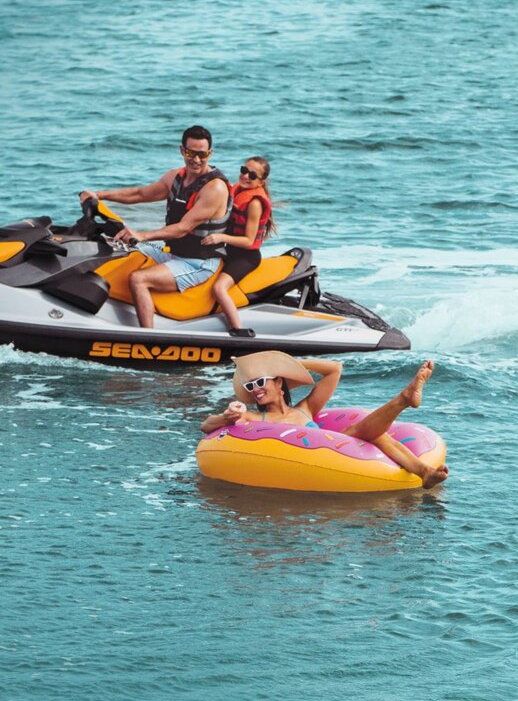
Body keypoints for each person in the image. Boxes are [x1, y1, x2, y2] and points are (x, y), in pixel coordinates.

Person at [200, 351, 450, 489]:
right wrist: (226, 416)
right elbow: (206, 426)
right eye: (250, 386)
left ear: (278, 381)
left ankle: (424, 468)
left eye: (260, 382)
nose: (255, 389)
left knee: (366, 432)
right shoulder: (253, 416)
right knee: (363, 432)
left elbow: (334, 369)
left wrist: (289, 364)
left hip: (344, 453)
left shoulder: (306, 409)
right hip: (314, 459)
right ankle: (404, 402)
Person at [79, 125, 231, 328]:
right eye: (190, 153)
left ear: (210, 153)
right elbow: (140, 194)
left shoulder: (215, 188)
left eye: (202, 154)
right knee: (117, 247)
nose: (196, 159)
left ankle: (147, 338)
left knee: (138, 279)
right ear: (182, 150)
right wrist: (100, 195)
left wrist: (142, 235)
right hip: (173, 254)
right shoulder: (175, 177)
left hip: (199, 262)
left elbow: (183, 228)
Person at [201, 156, 276, 337]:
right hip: (230, 250)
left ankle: (239, 330)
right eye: (244, 170)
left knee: (218, 288)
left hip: (245, 257)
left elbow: (249, 241)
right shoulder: (238, 189)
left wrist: (219, 237)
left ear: (261, 181)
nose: (245, 177)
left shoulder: (255, 203)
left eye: (252, 175)